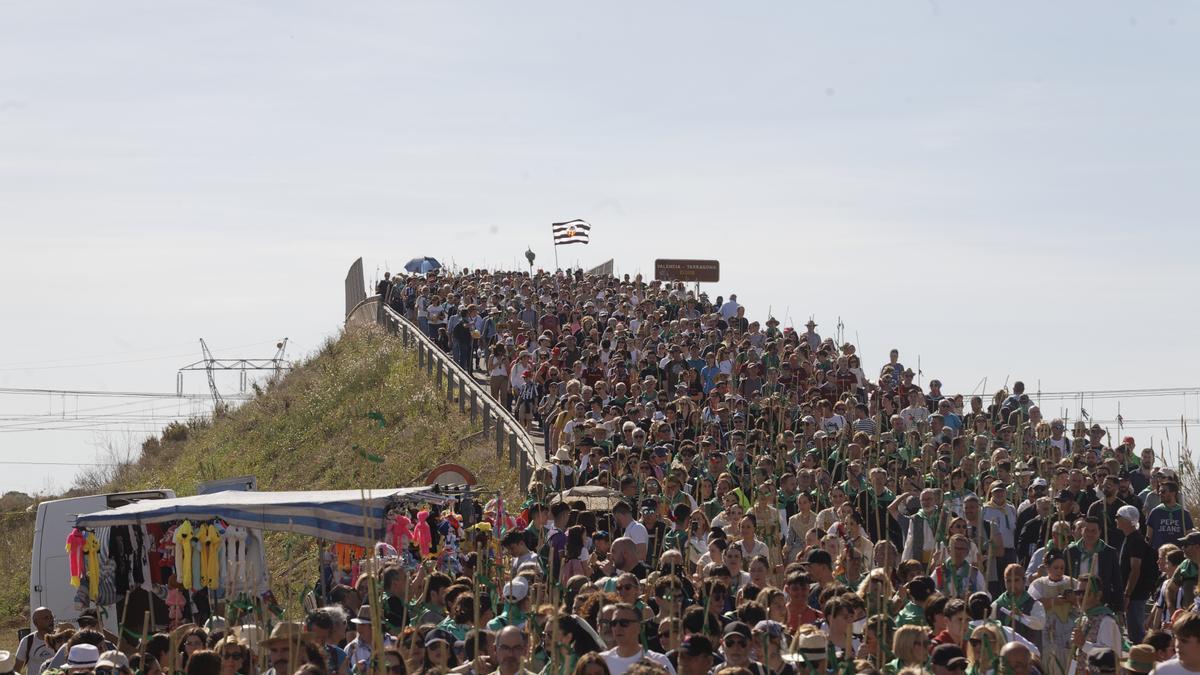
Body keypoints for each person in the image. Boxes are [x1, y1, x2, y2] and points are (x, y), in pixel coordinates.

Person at [599, 604, 676, 675]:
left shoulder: (658, 661)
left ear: (639, 627)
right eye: (614, 623)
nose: (617, 628)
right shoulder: (602, 661)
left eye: (624, 623)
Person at [15, 607, 55, 675]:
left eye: (52, 617)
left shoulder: (61, 639)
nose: (51, 620)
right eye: (46, 618)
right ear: (36, 623)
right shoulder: (27, 641)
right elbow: (16, 669)